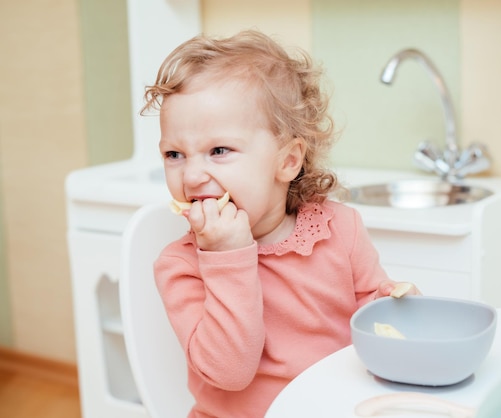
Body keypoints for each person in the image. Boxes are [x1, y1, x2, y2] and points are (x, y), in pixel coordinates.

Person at [141, 29, 420, 418]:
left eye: (218, 151)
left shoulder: (341, 230)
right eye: (174, 154)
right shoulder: (182, 266)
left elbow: (371, 317)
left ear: (288, 161)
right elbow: (229, 372)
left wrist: (395, 306)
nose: (190, 177)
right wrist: (227, 256)